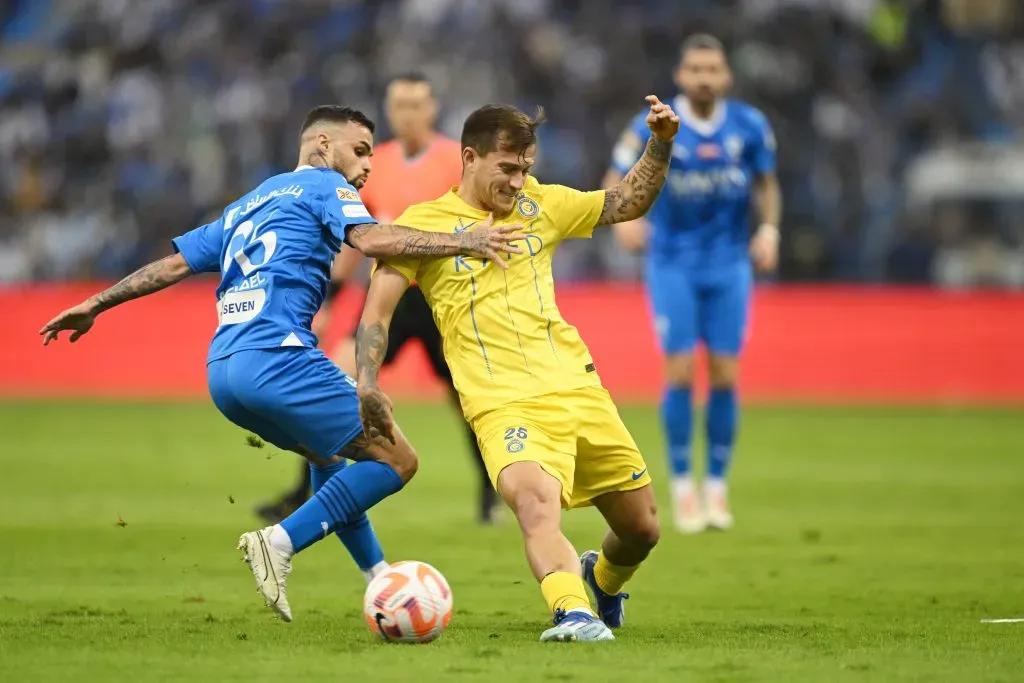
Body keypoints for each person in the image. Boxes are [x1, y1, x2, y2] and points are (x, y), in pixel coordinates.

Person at [39, 105, 522, 621]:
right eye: (359, 151)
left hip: (224, 371)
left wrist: (96, 302)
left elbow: (176, 264)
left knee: (327, 459)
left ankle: (380, 578)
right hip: (279, 358)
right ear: (320, 146)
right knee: (399, 460)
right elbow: (375, 240)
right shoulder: (325, 188)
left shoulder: (250, 201)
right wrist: (464, 241)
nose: (366, 166)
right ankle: (280, 541)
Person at [353, 97, 679, 642]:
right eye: (507, 169)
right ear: (470, 157)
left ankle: (600, 582)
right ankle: (572, 611)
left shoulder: (544, 205)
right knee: (534, 503)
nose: (518, 182)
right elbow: (376, 312)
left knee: (641, 529)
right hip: (501, 402)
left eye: (525, 169)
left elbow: (627, 202)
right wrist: (367, 382)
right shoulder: (424, 227)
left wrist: (660, 143)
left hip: (579, 390)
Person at [255, 73, 498, 526]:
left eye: (416, 105)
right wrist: (328, 299)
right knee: (336, 380)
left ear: (432, 109)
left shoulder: (455, 162)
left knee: (469, 402)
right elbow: (355, 236)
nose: (407, 114)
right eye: (399, 105)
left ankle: (491, 494)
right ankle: (302, 493)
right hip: (386, 294)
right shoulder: (373, 162)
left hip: (443, 300)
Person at [604, 34, 781, 534]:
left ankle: (717, 485)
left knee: (725, 373)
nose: (704, 77)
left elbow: (766, 184)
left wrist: (768, 229)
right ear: (681, 76)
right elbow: (615, 175)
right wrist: (625, 219)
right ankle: (683, 485)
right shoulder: (656, 123)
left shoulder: (749, 125)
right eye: (696, 69)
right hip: (672, 262)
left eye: (713, 69)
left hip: (729, 264)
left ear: (725, 76)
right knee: (679, 370)